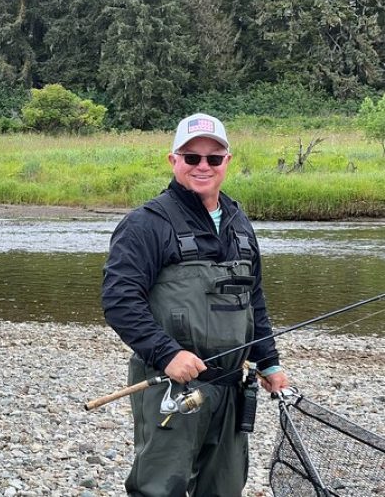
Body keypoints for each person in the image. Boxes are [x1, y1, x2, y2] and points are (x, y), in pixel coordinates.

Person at [101, 113, 289, 497]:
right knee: (159, 488)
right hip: (170, 384)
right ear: (173, 161)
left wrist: (268, 360)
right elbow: (119, 300)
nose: (203, 166)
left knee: (224, 488)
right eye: (191, 157)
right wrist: (168, 353)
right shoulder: (146, 224)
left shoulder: (240, 224)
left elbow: (253, 298)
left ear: (227, 162)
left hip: (231, 386)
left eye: (213, 158)